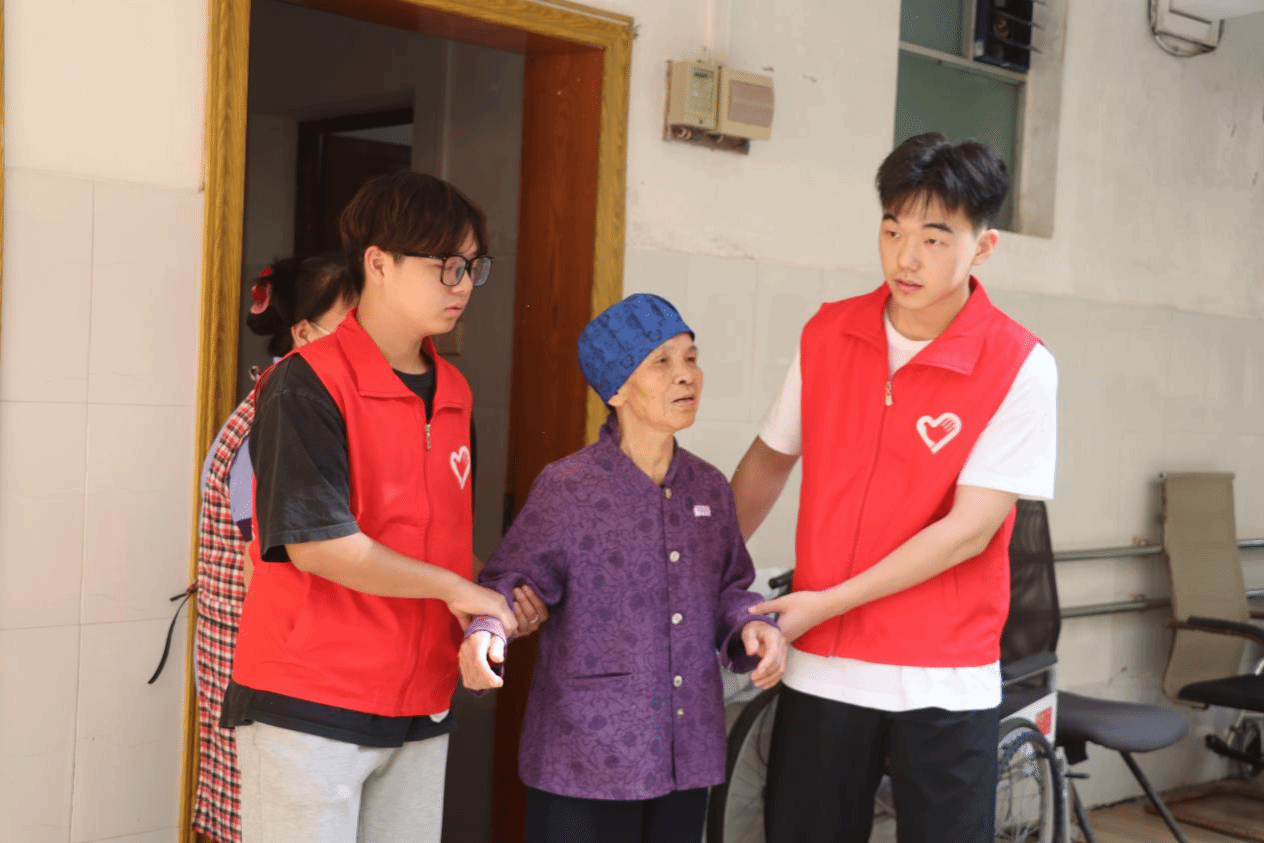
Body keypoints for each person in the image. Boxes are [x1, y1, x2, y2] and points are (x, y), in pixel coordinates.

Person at [730, 133, 1058, 843]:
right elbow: (768, 462)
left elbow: (967, 531)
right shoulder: (829, 333)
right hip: (822, 671)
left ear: (983, 246)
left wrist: (825, 602)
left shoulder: (1020, 365)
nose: (906, 257)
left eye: (934, 238)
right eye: (892, 230)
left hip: (943, 676)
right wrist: (708, 575)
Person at [223, 171, 535, 843]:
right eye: (444, 264)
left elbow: (438, 545)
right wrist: (457, 588)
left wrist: (492, 600)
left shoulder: (455, 391)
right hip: (311, 702)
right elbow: (319, 545)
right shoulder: (305, 381)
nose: (461, 284)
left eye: (471, 267)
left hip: (421, 703)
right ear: (378, 263)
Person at [460, 293, 788, 843]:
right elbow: (509, 582)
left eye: (691, 358)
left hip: (685, 749)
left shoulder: (708, 487)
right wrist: (487, 630)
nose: (686, 375)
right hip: (585, 757)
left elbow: (731, 586)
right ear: (616, 390)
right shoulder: (568, 487)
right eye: (662, 361)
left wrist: (752, 625)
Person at [192, 253, 356, 843]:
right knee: (255, 815)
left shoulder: (296, 396)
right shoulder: (285, 406)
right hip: (255, 652)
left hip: (262, 650)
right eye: (352, 324)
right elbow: (255, 556)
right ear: (305, 332)